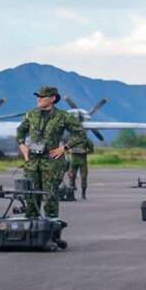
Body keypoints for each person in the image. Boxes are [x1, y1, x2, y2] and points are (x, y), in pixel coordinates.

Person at [16, 87, 87, 218]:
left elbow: (80, 134)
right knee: (31, 199)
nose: (39, 99)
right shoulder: (31, 114)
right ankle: (32, 231)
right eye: (38, 96)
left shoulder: (63, 116)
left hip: (52, 163)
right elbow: (20, 130)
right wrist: (22, 144)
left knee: (50, 199)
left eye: (42, 97)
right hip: (32, 162)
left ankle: (52, 233)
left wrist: (65, 148)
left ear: (52, 98)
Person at [67, 134, 94, 200]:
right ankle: (72, 194)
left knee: (84, 177)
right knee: (71, 177)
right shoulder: (71, 140)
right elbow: (66, 148)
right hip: (73, 161)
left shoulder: (87, 140)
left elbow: (92, 150)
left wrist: (85, 151)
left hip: (82, 161)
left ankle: (83, 194)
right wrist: (69, 151)